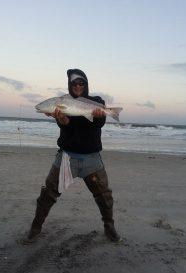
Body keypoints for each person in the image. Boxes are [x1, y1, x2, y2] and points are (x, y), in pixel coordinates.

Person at [24, 68, 121, 243]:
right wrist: (61, 120)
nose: (77, 86)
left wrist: (99, 116)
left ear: (86, 84)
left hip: (91, 158)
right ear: (70, 85)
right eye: (74, 83)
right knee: (48, 194)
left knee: (104, 195)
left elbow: (97, 125)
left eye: (81, 83)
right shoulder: (61, 103)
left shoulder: (97, 101)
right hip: (67, 157)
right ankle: (35, 227)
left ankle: (109, 226)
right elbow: (67, 128)